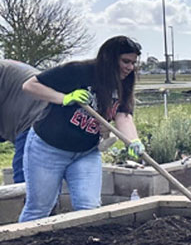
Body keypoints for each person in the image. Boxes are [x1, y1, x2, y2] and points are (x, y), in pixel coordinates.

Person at [19, 37, 144, 222]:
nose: (130, 67)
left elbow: (123, 115)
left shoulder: (124, 83)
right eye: (125, 61)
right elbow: (30, 86)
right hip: (47, 150)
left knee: (89, 210)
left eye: (133, 63)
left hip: (86, 152)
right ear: (109, 58)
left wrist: (133, 140)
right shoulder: (78, 71)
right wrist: (64, 97)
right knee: (39, 209)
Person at [1, 59, 48, 184]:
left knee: (24, 173)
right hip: (46, 115)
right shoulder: (7, 67)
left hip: (36, 118)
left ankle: (25, 202)